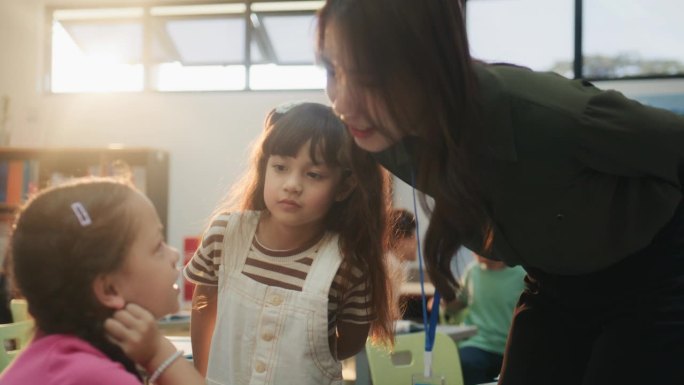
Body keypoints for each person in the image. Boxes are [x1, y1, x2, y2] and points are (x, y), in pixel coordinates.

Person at [316, 1, 684, 384]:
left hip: (653, 271)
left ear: (431, 63)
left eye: (369, 80)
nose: (342, 104)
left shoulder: (546, 114)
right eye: (331, 70)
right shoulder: (374, 132)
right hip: (556, 281)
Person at [184, 102, 395, 385]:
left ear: (343, 187)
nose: (292, 184)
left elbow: (350, 342)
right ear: (264, 168)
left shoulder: (347, 263)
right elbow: (203, 307)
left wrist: (304, 355)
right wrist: (199, 375)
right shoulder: (226, 233)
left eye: (313, 174)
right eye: (281, 167)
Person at [0, 177, 205, 385]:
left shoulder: (55, 358)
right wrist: (158, 353)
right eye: (158, 246)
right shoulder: (93, 377)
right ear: (109, 290)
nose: (175, 255)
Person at [446, 254, 526, 385]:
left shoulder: (521, 275)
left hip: (510, 347)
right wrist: (444, 302)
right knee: (465, 362)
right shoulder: (472, 271)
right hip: (477, 343)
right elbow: (460, 301)